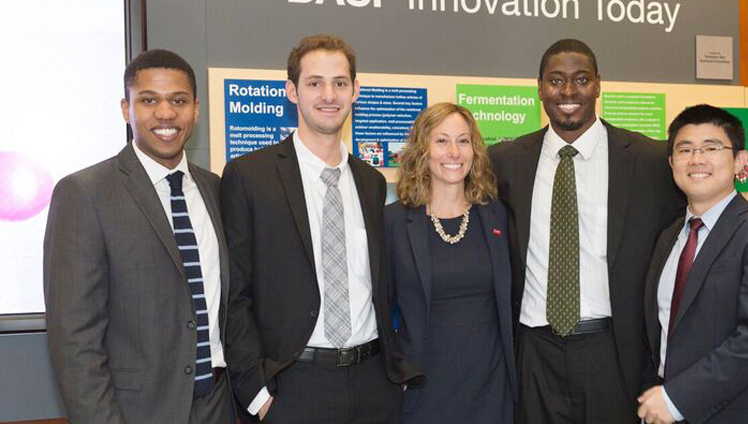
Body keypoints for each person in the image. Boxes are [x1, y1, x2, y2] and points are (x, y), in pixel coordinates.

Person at [487, 38, 748, 423]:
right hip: (533, 350)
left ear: (598, 84)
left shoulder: (650, 160)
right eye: (556, 80)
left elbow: (713, 211)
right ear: (539, 86)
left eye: (580, 79)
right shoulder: (504, 162)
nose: (568, 91)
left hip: (614, 352)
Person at [221, 34, 421, 423]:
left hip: (373, 384)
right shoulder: (251, 176)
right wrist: (257, 395)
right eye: (315, 83)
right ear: (292, 91)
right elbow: (234, 297)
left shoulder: (371, 181)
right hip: (293, 387)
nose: (328, 95)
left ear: (355, 91)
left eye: (340, 83)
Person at [44, 49, 235, 424]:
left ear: (196, 109)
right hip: (137, 413)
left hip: (218, 406)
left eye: (178, 101)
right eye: (149, 100)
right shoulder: (84, 193)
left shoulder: (215, 189)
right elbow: (74, 341)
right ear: (125, 108)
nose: (166, 114)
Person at [637, 104, 748, 424]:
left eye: (712, 147)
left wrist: (676, 398)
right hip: (665, 412)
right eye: (685, 149)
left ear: (740, 161)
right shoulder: (668, 237)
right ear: (672, 162)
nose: (697, 159)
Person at [385, 103, 517, 424]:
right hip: (424, 387)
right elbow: (379, 309)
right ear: (423, 150)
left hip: (491, 388)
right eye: (441, 141)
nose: (454, 152)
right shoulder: (394, 222)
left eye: (463, 140)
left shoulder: (498, 215)